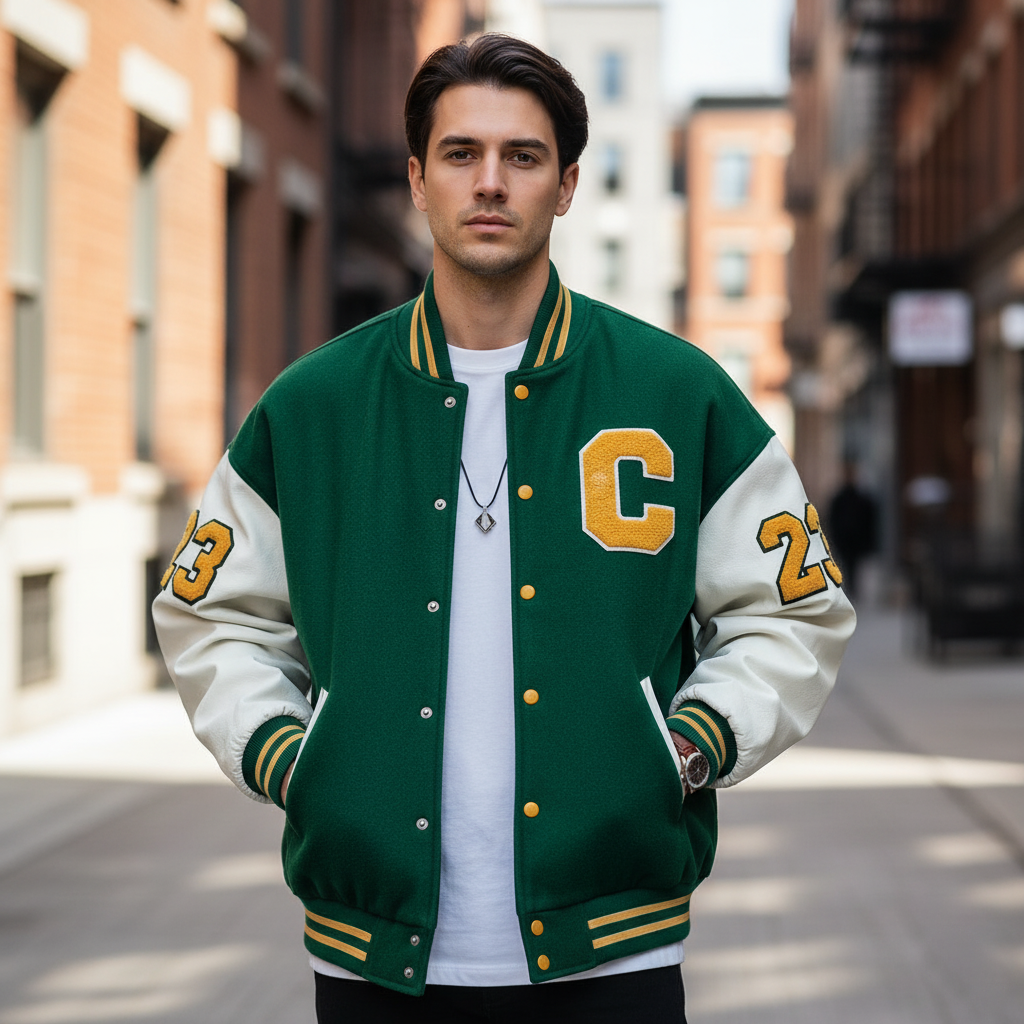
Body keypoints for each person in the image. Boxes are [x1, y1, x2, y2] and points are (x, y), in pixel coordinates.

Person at [153, 34, 855, 1024]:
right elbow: (210, 614)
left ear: (567, 185)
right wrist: (288, 754)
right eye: (460, 153)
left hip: (614, 950)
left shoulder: (674, 392)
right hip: (373, 956)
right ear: (416, 178)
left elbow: (794, 606)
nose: (490, 182)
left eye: (522, 157)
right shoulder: (314, 406)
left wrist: (688, 745)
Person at [827, 461, 879, 601]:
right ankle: (849, 591)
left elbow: (869, 522)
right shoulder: (839, 499)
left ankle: (854, 592)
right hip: (844, 541)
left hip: (857, 541)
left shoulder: (862, 499)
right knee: (847, 567)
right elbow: (833, 520)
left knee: (855, 568)